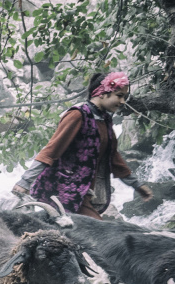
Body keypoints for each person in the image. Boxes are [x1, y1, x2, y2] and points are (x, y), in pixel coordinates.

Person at [13, 72, 153, 219]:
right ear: (102, 94)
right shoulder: (77, 115)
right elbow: (51, 150)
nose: (123, 101)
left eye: (124, 97)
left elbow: (113, 158)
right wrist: (25, 181)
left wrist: (137, 185)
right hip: (58, 193)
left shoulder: (105, 120)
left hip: (80, 194)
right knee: (96, 234)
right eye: (119, 95)